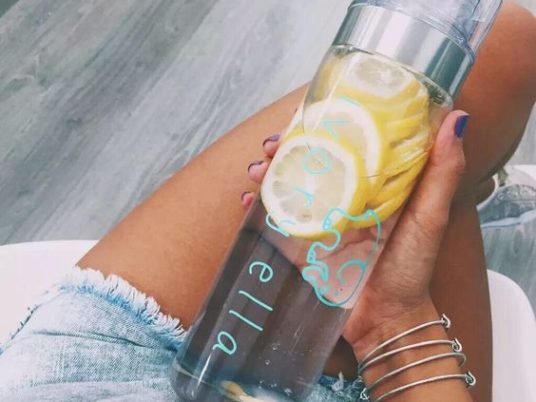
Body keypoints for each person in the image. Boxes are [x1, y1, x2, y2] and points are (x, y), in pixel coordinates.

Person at [0, 2, 535, 402]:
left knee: (488, 61)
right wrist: (392, 323)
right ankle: (471, 188)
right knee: (477, 99)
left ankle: (471, 186)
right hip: (314, 376)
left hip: (88, 379)